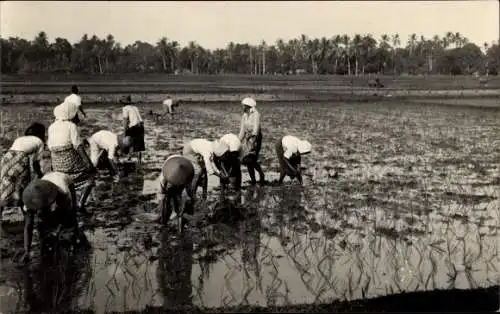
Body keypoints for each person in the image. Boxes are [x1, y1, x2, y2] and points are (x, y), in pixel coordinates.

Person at [20, 171, 90, 263]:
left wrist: (59, 230)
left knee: (71, 216)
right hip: (45, 182)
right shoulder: (29, 201)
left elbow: (68, 214)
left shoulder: (63, 192)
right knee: (44, 228)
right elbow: (28, 226)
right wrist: (26, 251)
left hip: (66, 181)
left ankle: (77, 239)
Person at [48, 104, 95, 215]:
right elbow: (77, 145)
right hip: (70, 160)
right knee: (90, 178)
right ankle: (80, 204)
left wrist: (52, 164)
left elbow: (50, 147)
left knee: (65, 182)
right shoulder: (71, 126)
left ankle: (69, 204)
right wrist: (88, 163)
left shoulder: (51, 127)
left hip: (56, 163)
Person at [0, 123, 46, 216]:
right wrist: (41, 175)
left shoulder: (19, 139)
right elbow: (35, 163)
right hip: (20, 159)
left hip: (6, 158)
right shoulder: (40, 142)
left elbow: (15, 151)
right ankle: (25, 211)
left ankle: (2, 210)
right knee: (22, 185)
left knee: (6, 185)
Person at [157, 155, 196, 233]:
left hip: (180, 180)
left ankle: (179, 223)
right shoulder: (164, 177)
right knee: (165, 204)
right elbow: (162, 193)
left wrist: (191, 198)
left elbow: (188, 189)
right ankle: (164, 222)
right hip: (168, 186)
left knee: (179, 203)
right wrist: (164, 200)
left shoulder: (187, 171)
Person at [238, 97, 265, 185]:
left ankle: (261, 174)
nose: (242, 107)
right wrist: (238, 141)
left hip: (255, 138)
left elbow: (256, 129)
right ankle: (253, 180)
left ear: (247, 106)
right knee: (247, 160)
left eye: (243, 106)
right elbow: (242, 131)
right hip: (247, 139)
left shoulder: (256, 114)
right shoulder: (244, 116)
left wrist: (252, 139)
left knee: (251, 159)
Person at [120, 95, 145, 165]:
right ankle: (139, 160)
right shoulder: (135, 107)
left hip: (134, 126)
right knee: (139, 144)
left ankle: (128, 157)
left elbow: (125, 120)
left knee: (128, 141)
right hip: (141, 126)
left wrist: (125, 131)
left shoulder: (125, 108)